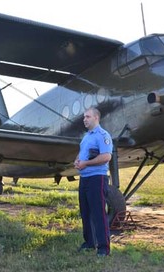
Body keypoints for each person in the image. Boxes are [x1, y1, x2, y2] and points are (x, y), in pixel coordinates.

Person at [73, 107, 113, 257]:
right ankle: (89, 242)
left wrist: (86, 164)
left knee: (98, 213)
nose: (84, 119)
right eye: (84, 117)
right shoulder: (86, 136)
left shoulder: (103, 135)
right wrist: (77, 160)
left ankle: (103, 248)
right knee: (86, 212)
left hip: (97, 178)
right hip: (84, 179)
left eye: (87, 117)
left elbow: (106, 157)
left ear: (96, 117)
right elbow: (82, 152)